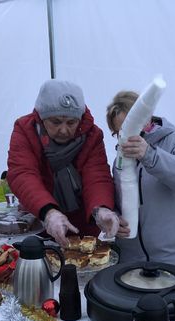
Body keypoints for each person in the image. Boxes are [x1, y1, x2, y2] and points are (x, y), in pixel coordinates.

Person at [106, 90, 175, 273]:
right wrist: (115, 218)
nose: (125, 138)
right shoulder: (120, 160)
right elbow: (119, 201)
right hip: (134, 261)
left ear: (146, 120)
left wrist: (150, 155)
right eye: (119, 133)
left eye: (130, 130)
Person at [7, 79, 120, 246]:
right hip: (39, 223)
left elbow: (96, 176)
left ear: (80, 119)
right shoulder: (25, 129)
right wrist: (49, 212)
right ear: (41, 117)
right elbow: (22, 174)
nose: (64, 130)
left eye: (71, 122)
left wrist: (101, 209)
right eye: (56, 122)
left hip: (82, 228)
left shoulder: (92, 135)